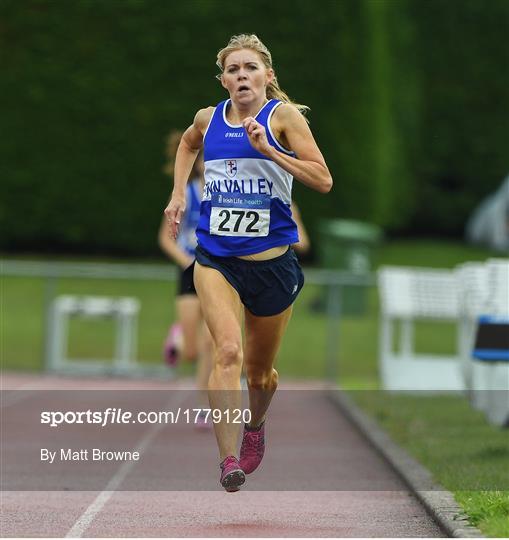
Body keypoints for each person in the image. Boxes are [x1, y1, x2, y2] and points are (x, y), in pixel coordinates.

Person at [164, 33, 332, 492]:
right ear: (224, 80)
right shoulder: (208, 118)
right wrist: (179, 193)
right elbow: (187, 144)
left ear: (267, 77)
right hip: (217, 258)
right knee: (228, 353)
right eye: (234, 69)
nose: (242, 75)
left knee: (260, 374)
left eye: (250, 68)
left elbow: (323, 179)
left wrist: (271, 152)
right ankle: (227, 459)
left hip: (273, 264)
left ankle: (255, 426)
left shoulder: (284, 118)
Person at [158, 130, 213, 429]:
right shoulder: (186, 194)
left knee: (210, 344)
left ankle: (203, 405)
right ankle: (179, 336)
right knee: (191, 351)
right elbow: (166, 240)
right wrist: (188, 262)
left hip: (217, 271)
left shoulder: (230, 194)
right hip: (190, 269)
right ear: (200, 163)